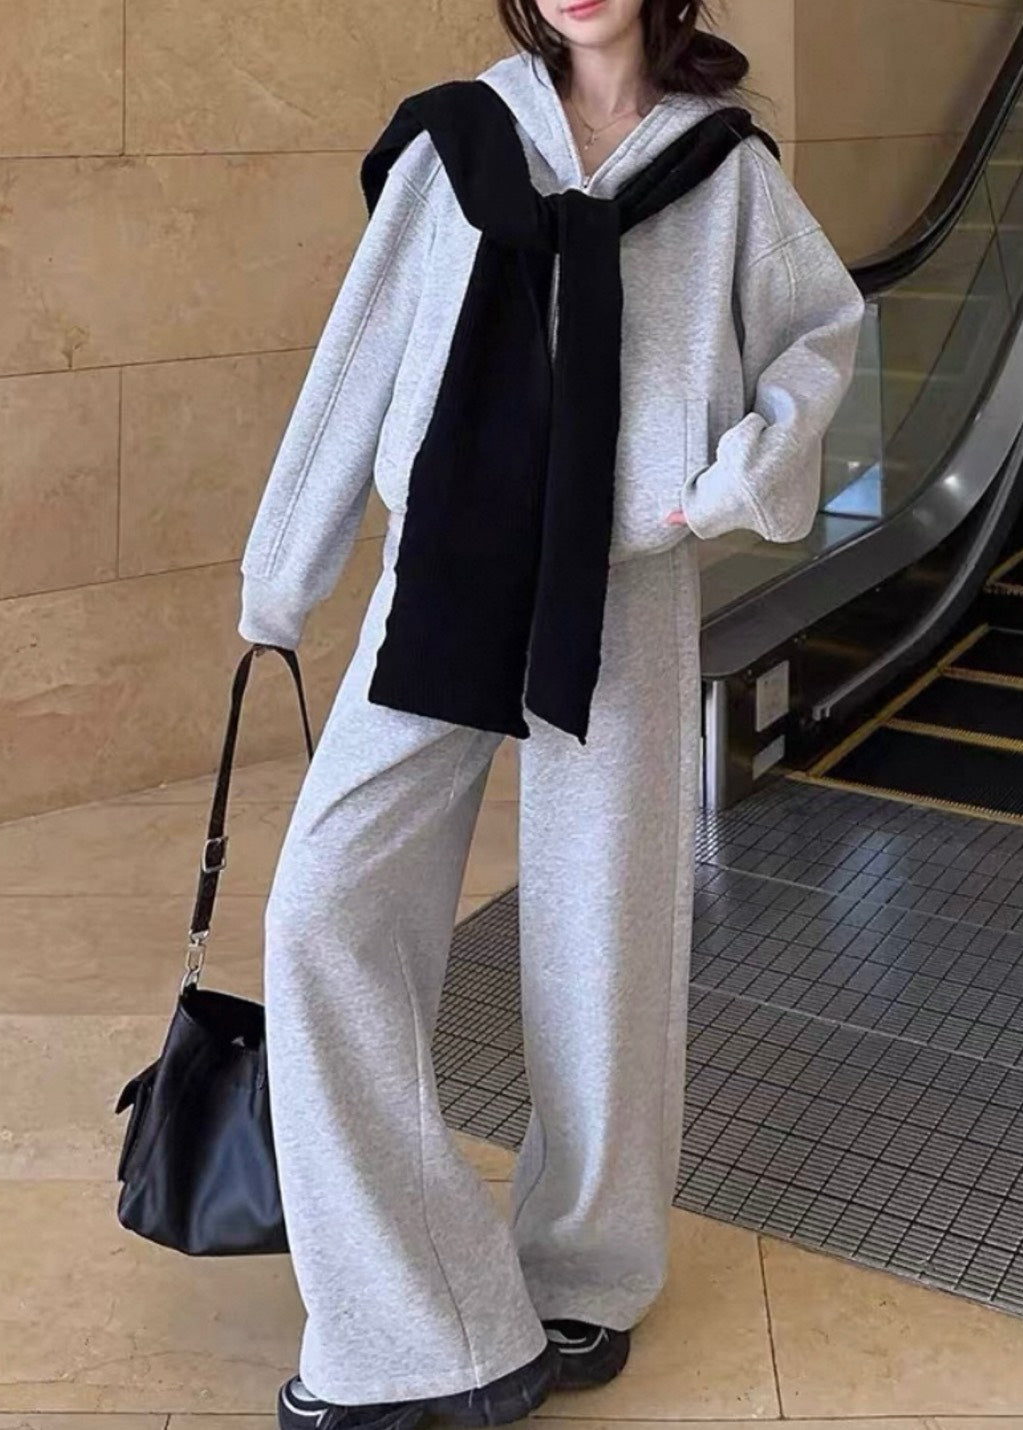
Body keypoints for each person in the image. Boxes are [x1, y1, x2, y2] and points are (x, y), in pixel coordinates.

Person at [238, 2, 864, 1427]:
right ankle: (418, 1310)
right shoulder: (459, 137)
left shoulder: (720, 167)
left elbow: (821, 331)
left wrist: (732, 481)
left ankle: (582, 1268)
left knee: (605, 938)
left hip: (624, 585)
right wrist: (284, 570)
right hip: (447, 565)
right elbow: (359, 353)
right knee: (323, 911)